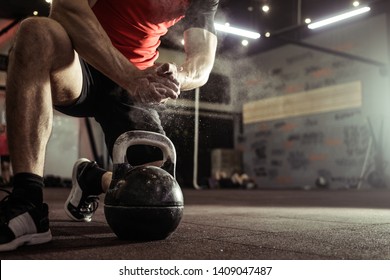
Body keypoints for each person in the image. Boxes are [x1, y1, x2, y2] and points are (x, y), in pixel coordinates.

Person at [0, 0, 219, 251]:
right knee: (36, 31)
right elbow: (66, 8)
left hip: (137, 85)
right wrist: (127, 75)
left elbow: (202, 62)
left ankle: (93, 179)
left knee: (154, 198)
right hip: (79, 65)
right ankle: (28, 204)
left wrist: (179, 76)